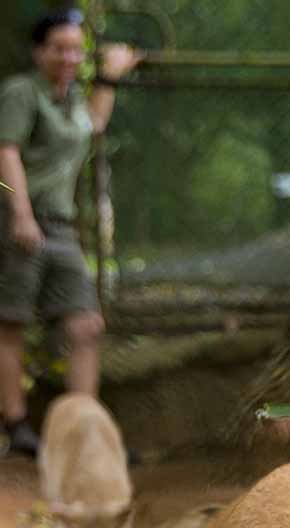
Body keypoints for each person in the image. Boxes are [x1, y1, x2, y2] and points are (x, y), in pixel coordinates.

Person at [0, 9, 141, 458]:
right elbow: (5, 151)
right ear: (39, 51)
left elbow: (93, 125)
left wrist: (109, 77)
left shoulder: (73, 97)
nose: (68, 57)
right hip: (18, 221)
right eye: (59, 48)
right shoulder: (21, 93)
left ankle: (84, 431)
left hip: (60, 227)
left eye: (76, 50)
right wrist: (21, 213)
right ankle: (17, 427)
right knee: (11, 322)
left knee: (86, 325)